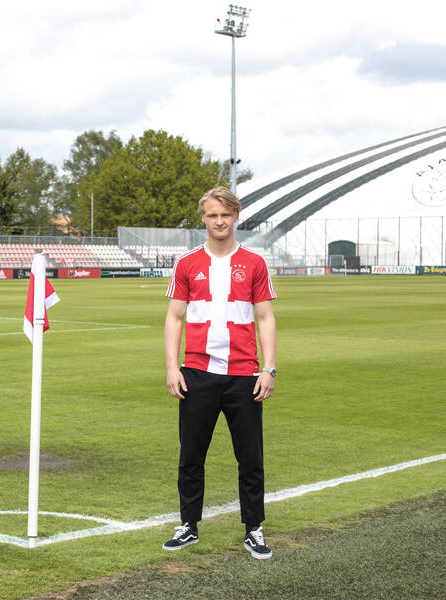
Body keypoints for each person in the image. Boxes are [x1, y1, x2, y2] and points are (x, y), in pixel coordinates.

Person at [162, 186, 277, 559]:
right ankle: (188, 525)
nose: (219, 221)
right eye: (212, 215)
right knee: (191, 455)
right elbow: (175, 317)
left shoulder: (255, 264)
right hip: (197, 373)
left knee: (250, 457)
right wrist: (171, 367)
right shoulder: (187, 264)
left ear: (236, 216)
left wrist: (269, 368)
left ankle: (254, 529)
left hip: (244, 375)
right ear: (203, 218)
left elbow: (265, 317)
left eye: (225, 214)